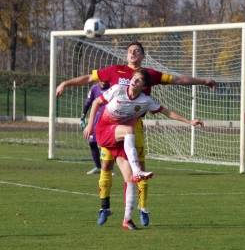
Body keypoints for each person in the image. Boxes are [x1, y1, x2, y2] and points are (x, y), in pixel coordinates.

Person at [56, 41, 217, 227]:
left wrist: (203, 81)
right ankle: (104, 207)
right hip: (110, 126)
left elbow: (178, 80)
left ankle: (141, 208)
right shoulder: (115, 71)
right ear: (127, 55)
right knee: (106, 164)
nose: (132, 53)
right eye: (130, 50)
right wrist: (65, 83)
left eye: (137, 51)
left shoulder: (150, 75)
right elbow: (89, 79)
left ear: (143, 56)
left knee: (137, 169)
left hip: (134, 126)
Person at [83, 68, 204, 230]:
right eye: (134, 78)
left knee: (130, 179)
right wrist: (90, 124)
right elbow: (97, 102)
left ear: (144, 85)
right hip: (104, 130)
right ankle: (136, 170)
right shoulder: (118, 89)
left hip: (118, 139)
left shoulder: (145, 101)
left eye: (139, 80)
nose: (134, 81)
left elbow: (167, 112)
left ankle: (127, 219)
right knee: (129, 131)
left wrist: (188, 121)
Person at [78, 81, 115, 175]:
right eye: (101, 79)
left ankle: (109, 168)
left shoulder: (113, 87)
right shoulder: (94, 88)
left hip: (108, 119)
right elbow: (88, 101)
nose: (103, 81)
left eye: (105, 79)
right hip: (95, 119)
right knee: (92, 142)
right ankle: (98, 167)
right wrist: (83, 117)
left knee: (107, 143)